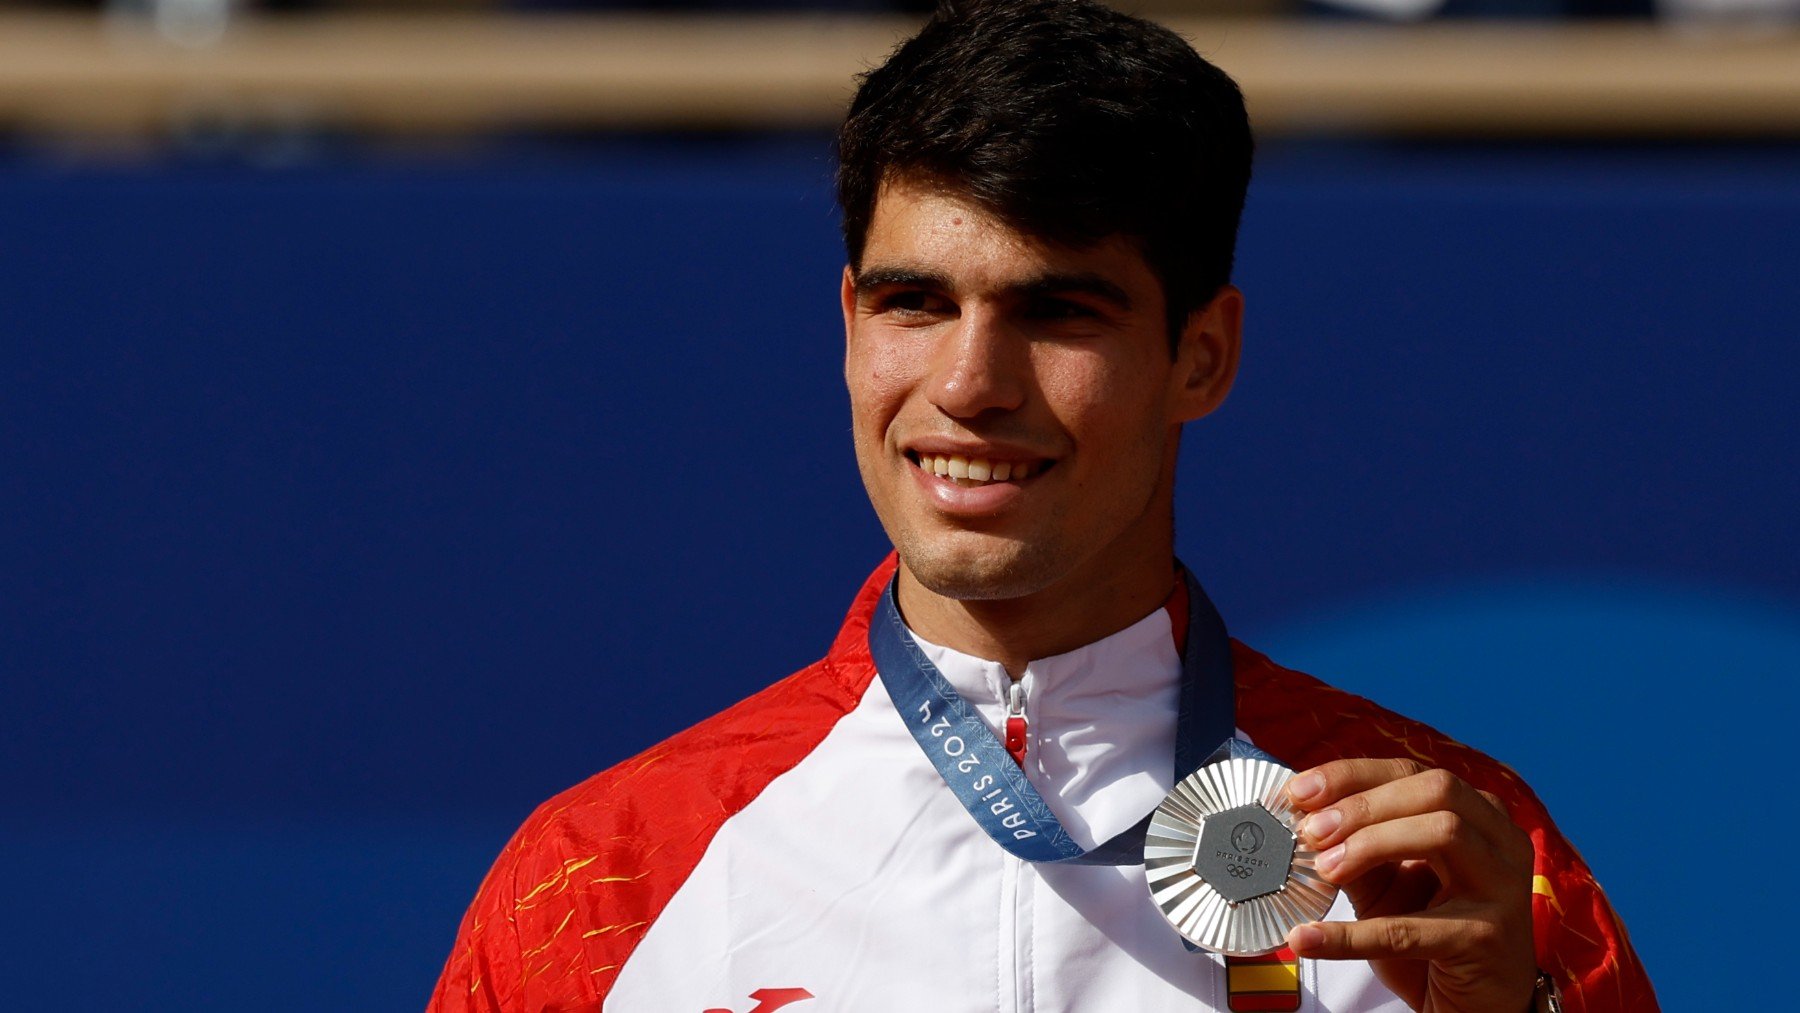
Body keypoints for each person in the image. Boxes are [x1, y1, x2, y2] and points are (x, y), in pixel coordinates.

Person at [427, 2, 1655, 1010]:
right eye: (915, 303)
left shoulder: (1459, 866)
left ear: (1203, 356)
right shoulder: (603, 875)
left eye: (1059, 313)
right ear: (850, 324)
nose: (968, 386)